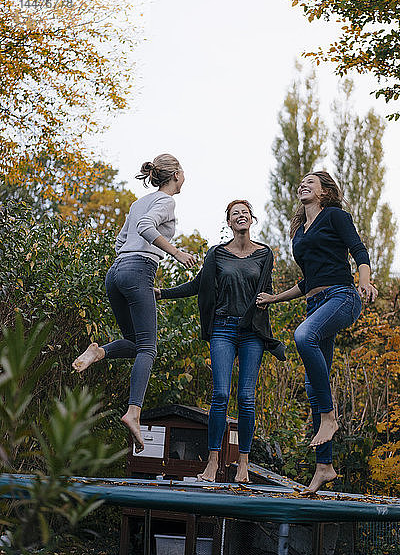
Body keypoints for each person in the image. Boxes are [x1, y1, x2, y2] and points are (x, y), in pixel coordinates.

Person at [256, 171, 378, 494]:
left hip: (342, 297)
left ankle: (329, 416)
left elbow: (360, 252)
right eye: (302, 182)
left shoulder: (336, 216)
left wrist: (364, 281)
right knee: (312, 385)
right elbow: (307, 282)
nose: (303, 184)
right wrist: (274, 298)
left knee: (302, 337)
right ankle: (324, 466)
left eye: (311, 182)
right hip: (316, 303)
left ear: (324, 192)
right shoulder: (299, 232)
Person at [72, 154, 196, 452]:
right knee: (149, 348)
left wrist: (129, 264)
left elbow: (120, 241)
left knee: (134, 342)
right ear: (177, 174)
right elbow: (145, 227)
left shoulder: (139, 202)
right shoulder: (166, 201)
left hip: (115, 273)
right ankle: (133, 412)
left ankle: (98, 352)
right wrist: (177, 254)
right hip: (138, 270)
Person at [155, 200, 285, 483]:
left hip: (251, 332)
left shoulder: (265, 254)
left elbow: (267, 292)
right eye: (235, 213)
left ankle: (243, 464)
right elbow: (196, 286)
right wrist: (162, 293)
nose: (241, 216)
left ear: (252, 220)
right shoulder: (216, 254)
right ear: (228, 222)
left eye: (245, 213)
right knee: (221, 395)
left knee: (247, 398)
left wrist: (269, 300)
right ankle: (212, 462)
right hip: (223, 329)